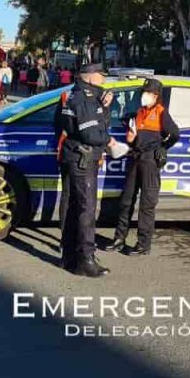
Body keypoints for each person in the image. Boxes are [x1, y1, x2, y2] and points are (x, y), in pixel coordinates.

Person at [111, 78, 180, 256]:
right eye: (144, 92)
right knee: (126, 200)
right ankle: (119, 238)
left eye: (148, 93)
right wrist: (131, 137)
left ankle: (143, 244)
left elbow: (174, 133)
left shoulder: (161, 112)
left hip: (150, 160)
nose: (144, 96)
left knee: (147, 204)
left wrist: (163, 148)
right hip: (135, 157)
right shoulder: (139, 112)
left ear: (156, 96)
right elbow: (130, 137)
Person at [59, 63, 114, 276]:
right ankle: (85, 260)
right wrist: (110, 142)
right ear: (90, 77)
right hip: (84, 159)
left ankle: (70, 258)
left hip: (77, 156)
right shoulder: (85, 99)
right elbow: (92, 134)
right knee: (86, 210)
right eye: (102, 76)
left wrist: (106, 107)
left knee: (74, 208)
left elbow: (98, 124)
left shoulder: (79, 95)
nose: (104, 80)